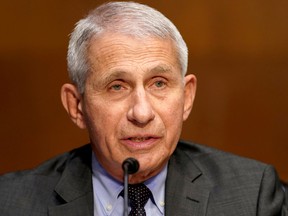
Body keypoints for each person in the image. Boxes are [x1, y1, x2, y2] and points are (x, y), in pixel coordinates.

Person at [0, 1, 286, 215]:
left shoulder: (253, 195)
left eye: (159, 84)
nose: (141, 113)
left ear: (186, 97)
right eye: (117, 86)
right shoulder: (12, 203)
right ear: (77, 106)